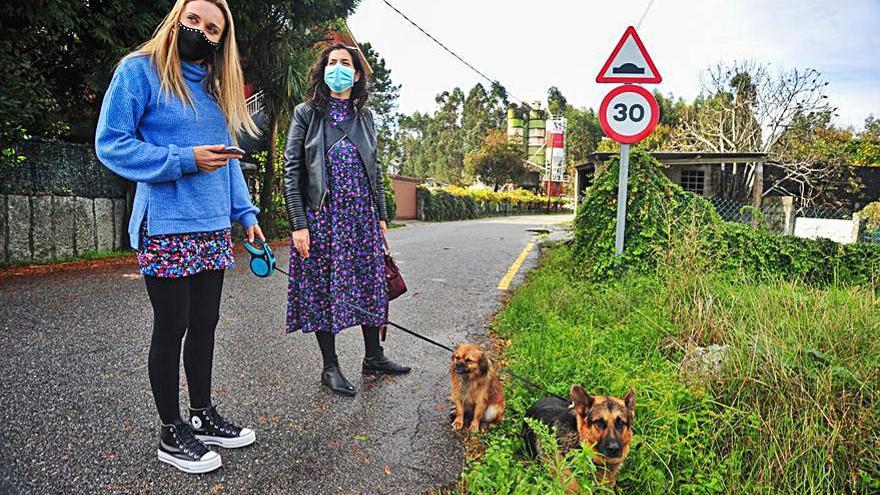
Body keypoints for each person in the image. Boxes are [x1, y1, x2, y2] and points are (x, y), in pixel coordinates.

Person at [95, 0, 261, 474]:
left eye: (213, 28)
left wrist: (245, 214)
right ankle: (171, 430)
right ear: (176, 18)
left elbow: (226, 160)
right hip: (165, 225)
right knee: (172, 328)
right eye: (194, 20)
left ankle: (202, 414)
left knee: (205, 324)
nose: (201, 32)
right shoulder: (138, 71)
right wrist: (183, 159)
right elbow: (111, 144)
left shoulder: (215, 88)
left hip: (212, 227)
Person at [283, 44, 411, 397]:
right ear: (323, 71)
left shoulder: (365, 117)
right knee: (324, 289)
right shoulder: (306, 114)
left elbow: (376, 167)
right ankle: (330, 367)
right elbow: (292, 169)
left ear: (356, 75)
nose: (337, 68)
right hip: (323, 218)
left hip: (362, 218)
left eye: (345, 64)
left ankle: (374, 356)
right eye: (331, 63)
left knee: (370, 284)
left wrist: (382, 214)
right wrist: (298, 223)